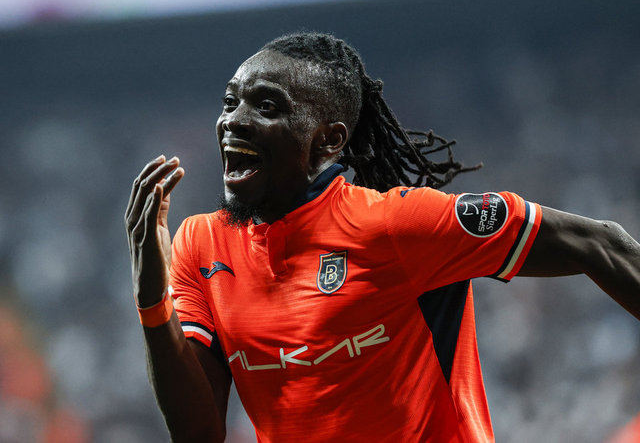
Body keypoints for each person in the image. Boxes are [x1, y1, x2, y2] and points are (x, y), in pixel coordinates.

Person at [124, 32, 640, 442]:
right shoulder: (202, 245)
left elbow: (599, 244)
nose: (232, 121)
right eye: (230, 101)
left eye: (266, 106)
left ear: (329, 140)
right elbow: (197, 433)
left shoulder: (395, 225)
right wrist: (151, 298)